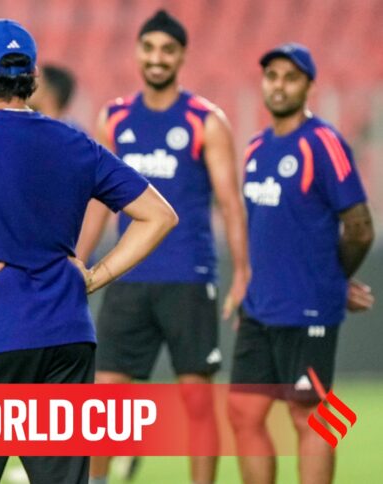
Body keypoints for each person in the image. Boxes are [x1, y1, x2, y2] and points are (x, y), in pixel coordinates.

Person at [0, 19, 177, 484]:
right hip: (68, 338)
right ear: (34, 78)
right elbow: (159, 215)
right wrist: (95, 275)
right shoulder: (77, 144)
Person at [78, 10, 250, 484]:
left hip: (188, 277)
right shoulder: (115, 118)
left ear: (182, 56)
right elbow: (97, 202)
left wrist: (242, 273)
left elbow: (230, 203)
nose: (157, 58)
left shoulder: (206, 121)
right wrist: (79, 260)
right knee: (104, 400)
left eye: (167, 50)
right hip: (126, 275)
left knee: (197, 401)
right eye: (150, 48)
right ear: (138, 52)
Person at [228, 43, 373, 484]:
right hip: (260, 307)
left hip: (307, 308)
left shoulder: (323, 143)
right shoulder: (255, 148)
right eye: (272, 76)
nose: (279, 85)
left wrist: (333, 280)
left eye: (290, 77)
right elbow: (263, 228)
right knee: (243, 412)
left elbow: (360, 228)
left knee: (308, 414)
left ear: (309, 85)